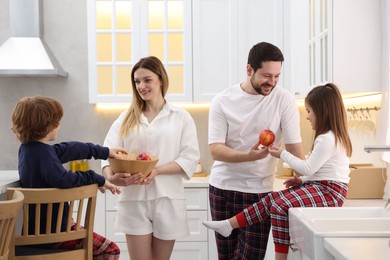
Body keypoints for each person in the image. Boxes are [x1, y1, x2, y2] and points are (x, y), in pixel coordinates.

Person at [204, 83, 352, 260]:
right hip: (321, 186)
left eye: (309, 111)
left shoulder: (327, 139)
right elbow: (319, 172)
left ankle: (279, 257)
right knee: (272, 199)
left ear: (322, 112)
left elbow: (307, 168)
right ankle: (228, 225)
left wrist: (281, 153)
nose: (307, 117)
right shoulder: (329, 138)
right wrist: (303, 182)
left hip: (329, 192)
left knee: (279, 205)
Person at [207, 41, 305, 260]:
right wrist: (248, 156)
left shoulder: (284, 99)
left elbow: (294, 146)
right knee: (227, 257)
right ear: (249, 69)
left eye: (277, 76)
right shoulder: (222, 101)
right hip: (222, 189)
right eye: (266, 76)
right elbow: (216, 150)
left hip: (259, 192)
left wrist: (306, 180)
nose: (272, 82)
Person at [101, 56, 200, 260]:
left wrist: (156, 171)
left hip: (167, 198)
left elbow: (189, 158)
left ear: (161, 80)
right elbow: (106, 153)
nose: (141, 86)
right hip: (134, 199)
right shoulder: (126, 118)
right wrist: (110, 177)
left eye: (147, 80)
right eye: (137, 81)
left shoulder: (181, 117)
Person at [11, 96, 127, 259]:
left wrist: (105, 152)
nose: (59, 125)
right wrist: (95, 177)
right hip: (56, 232)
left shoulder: (29, 150)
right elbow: (64, 179)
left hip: (36, 231)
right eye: (57, 121)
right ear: (48, 126)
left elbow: (70, 149)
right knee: (110, 250)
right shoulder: (43, 153)